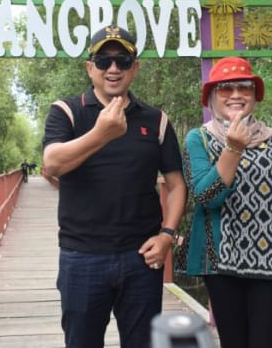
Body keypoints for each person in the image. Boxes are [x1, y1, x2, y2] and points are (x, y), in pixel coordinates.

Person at [42, 24, 187, 348]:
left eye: (123, 60)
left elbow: (177, 185)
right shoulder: (67, 111)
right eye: (103, 60)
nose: (113, 68)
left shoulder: (156, 120)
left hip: (141, 257)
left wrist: (167, 235)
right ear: (89, 67)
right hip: (82, 256)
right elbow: (52, 164)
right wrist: (101, 134)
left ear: (135, 68)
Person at [182, 56, 272, 348]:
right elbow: (205, 196)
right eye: (225, 89)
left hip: (271, 264)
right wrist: (233, 148)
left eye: (244, 87)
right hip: (220, 266)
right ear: (211, 97)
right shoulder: (198, 140)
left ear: (255, 96)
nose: (236, 95)